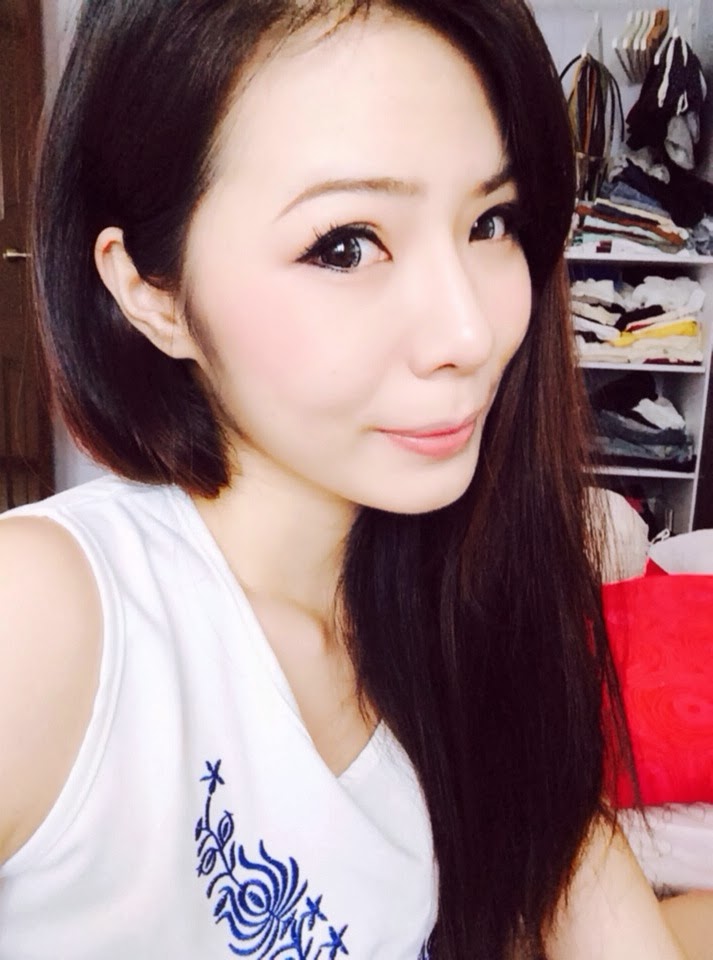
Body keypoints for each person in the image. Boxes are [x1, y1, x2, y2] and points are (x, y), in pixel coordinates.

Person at [0, 1, 706, 957]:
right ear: (150, 294)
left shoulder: (470, 614)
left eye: (490, 221)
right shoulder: (49, 620)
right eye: (344, 245)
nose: (469, 332)